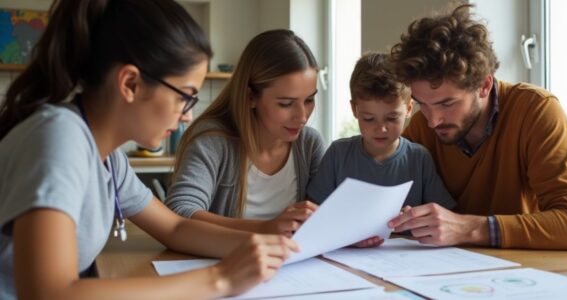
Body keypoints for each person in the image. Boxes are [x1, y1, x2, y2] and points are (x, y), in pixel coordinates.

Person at [0, 1, 297, 299]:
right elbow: (48, 293)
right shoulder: (60, 138)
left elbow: (175, 228)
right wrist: (219, 279)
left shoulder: (109, 159)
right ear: (130, 83)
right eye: (186, 97)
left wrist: (266, 243)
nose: (188, 116)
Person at [387, 4, 567, 252]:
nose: (433, 120)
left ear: (484, 86)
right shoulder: (423, 126)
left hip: (523, 276)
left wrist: (469, 228)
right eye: (422, 104)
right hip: (450, 271)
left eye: (447, 103)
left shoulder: (536, 111)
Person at [166, 29, 325, 238]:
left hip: (293, 267)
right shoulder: (213, 141)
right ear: (250, 97)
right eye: (286, 104)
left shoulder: (309, 144)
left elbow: (326, 217)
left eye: (309, 100)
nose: (302, 116)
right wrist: (266, 228)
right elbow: (179, 212)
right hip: (225, 266)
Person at [307, 53, 455, 248]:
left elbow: (444, 219)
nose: (381, 129)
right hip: (346, 257)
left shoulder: (419, 159)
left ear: (409, 109)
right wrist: (345, 234)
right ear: (354, 110)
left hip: (405, 259)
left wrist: (418, 219)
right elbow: (312, 218)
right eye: (369, 118)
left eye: (392, 118)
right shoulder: (338, 154)